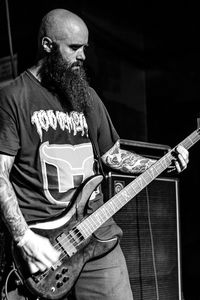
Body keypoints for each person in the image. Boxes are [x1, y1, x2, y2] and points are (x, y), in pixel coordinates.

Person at [0, 8, 189, 300]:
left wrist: (163, 165)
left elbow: (113, 156)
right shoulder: (14, 98)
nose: (82, 56)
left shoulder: (86, 96)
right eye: (74, 48)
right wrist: (24, 239)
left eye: (85, 48)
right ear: (47, 46)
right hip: (47, 248)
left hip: (98, 235)